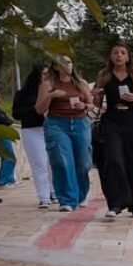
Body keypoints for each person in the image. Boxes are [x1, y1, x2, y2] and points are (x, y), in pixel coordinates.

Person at [94, 43, 133, 218]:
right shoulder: (104, 75)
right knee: (113, 159)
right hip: (112, 120)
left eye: (122, 52)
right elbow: (97, 103)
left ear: (128, 56)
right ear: (110, 56)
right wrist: (95, 94)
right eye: (115, 52)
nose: (118, 55)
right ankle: (116, 203)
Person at [40, 56, 94, 213]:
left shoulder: (81, 83)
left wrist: (84, 105)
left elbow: (91, 105)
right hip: (57, 124)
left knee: (83, 163)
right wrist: (50, 96)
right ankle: (67, 200)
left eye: (70, 62)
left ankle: (80, 194)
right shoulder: (48, 84)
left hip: (80, 123)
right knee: (62, 162)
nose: (67, 65)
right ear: (56, 67)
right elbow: (39, 109)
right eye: (63, 63)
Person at [14, 66, 55, 209]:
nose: (46, 77)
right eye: (43, 74)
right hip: (32, 130)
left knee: (53, 163)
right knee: (40, 163)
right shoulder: (23, 94)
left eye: (48, 74)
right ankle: (43, 197)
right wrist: (36, 109)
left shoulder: (54, 91)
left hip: (51, 129)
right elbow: (16, 113)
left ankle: (53, 191)